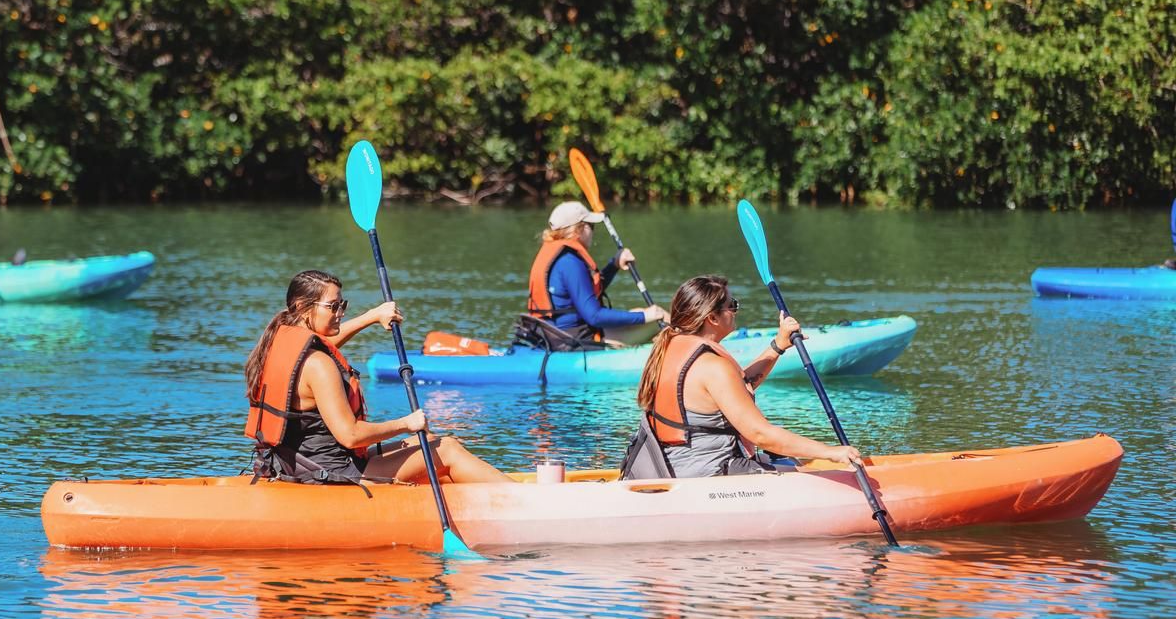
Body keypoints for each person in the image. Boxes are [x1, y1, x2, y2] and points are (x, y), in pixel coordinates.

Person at [244, 270, 511, 486]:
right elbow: (350, 436)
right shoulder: (319, 365)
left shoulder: (280, 343)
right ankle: (524, 503)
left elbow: (328, 339)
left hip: (301, 464)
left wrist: (373, 316)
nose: (341, 312)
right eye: (333, 306)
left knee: (429, 441)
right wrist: (406, 423)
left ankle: (494, 494)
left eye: (342, 305)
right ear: (303, 307)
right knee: (447, 449)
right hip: (333, 473)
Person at [626, 275, 860, 479]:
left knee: (785, 459)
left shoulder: (669, 349)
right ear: (713, 318)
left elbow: (737, 389)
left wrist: (778, 346)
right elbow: (760, 434)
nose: (736, 310)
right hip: (709, 476)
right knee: (790, 466)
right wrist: (831, 452)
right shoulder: (713, 367)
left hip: (674, 467)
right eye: (732, 305)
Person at [526, 201, 669, 346]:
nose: (593, 232)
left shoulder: (561, 256)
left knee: (640, 312)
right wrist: (645, 316)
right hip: (572, 340)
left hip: (554, 335)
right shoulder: (570, 262)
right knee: (660, 318)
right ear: (578, 230)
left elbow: (586, 293)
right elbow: (594, 316)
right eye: (591, 226)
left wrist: (614, 265)